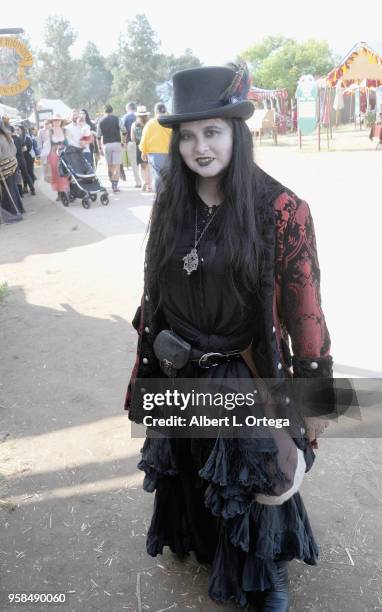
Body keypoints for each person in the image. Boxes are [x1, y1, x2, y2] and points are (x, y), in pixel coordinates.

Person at [124, 65, 333, 610]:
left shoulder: (281, 209)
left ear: (237, 133)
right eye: (187, 136)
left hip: (245, 370)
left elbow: (306, 308)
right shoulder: (170, 204)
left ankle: (266, 577)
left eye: (212, 132)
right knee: (193, 470)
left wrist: (316, 398)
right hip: (181, 367)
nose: (199, 147)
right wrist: (145, 378)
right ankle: (209, 547)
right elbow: (154, 300)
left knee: (261, 479)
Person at [139, 102, 172, 191]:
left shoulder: (150, 123)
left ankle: (160, 195)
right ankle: (170, 194)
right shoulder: (170, 121)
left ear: (155, 111)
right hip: (170, 153)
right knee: (169, 175)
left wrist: (143, 151)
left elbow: (145, 138)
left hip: (155, 154)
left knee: (158, 176)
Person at [0, 119, 24, 223]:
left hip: (4, 167)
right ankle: (18, 209)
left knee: (7, 191)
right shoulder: (7, 135)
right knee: (13, 188)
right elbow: (14, 150)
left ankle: (13, 213)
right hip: (13, 163)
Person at [97, 104, 122, 193]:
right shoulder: (117, 119)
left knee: (110, 166)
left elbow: (98, 136)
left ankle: (111, 181)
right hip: (116, 143)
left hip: (106, 145)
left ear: (104, 111)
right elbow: (124, 130)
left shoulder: (101, 121)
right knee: (117, 165)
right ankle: (115, 185)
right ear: (112, 111)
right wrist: (124, 142)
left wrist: (99, 148)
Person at [47, 116, 70, 204]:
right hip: (53, 153)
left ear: (61, 122)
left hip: (63, 152)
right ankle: (59, 193)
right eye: (54, 121)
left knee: (65, 171)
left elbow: (67, 142)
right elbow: (47, 144)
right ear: (52, 122)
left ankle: (66, 190)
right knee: (56, 172)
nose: (56, 122)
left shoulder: (64, 131)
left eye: (58, 120)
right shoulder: (50, 131)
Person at [131, 105, 151, 192]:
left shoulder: (134, 125)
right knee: (149, 167)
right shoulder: (150, 123)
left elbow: (133, 138)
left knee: (142, 167)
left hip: (139, 147)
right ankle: (149, 185)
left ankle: (144, 183)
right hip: (150, 147)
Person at [121, 101, 141, 187]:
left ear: (127, 108)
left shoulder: (125, 117)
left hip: (131, 142)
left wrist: (123, 142)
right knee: (144, 164)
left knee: (134, 163)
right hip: (142, 142)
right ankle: (147, 182)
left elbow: (123, 130)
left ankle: (138, 182)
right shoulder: (139, 116)